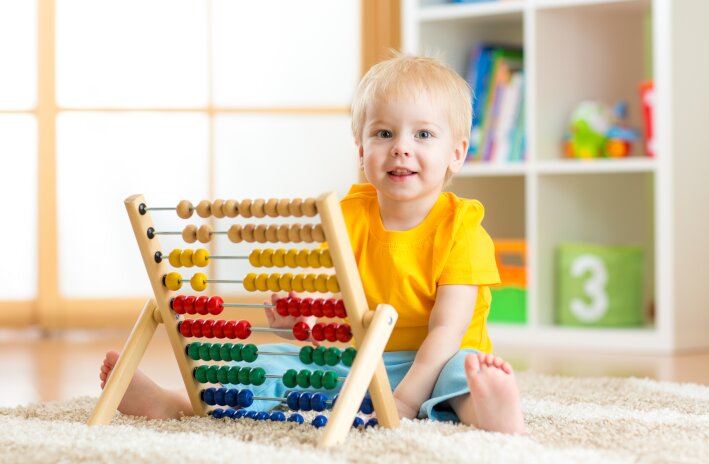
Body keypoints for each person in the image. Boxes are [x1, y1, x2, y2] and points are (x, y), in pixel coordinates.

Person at [100, 53, 525, 434]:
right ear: (361, 150)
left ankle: (491, 412)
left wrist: (405, 401)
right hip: (361, 363)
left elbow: (447, 331)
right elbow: (339, 310)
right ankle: (173, 403)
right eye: (383, 134)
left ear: (457, 153)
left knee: (460, 374)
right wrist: (302, 319)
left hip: (430, 363)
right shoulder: (347, 215)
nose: (400, 149)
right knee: (272, 361)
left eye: (424, 136)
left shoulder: (463, 229)